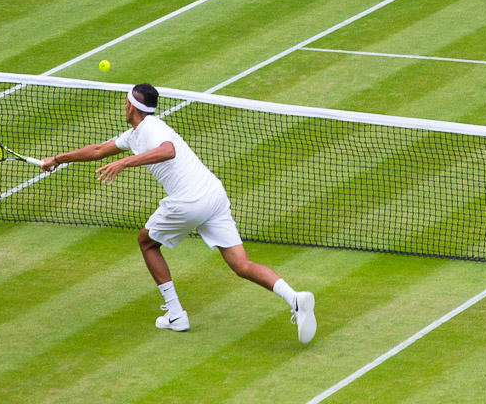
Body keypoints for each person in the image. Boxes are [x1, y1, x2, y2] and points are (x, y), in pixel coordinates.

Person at [40, 84, 318, 343]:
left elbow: (168, 151)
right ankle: (295, 298)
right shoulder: (135, 134)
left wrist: (124, 162)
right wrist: (57, 159)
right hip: (214, 195)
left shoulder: (151, 128)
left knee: (147, 242)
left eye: (125, 102)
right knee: (241, 265)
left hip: (190, 201)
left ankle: (175, 313)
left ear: (130, 107)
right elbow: (98, 150)